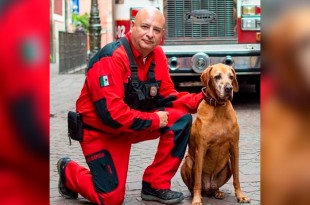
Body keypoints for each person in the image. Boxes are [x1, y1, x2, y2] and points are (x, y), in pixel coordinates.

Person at [57, 7, 202, 205]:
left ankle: (155, 184)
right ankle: (67, 170)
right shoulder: (111, 58)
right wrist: (153, 119)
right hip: (101, 132)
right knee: (110, 199)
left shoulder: (157, 55)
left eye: (156, 30)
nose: (150, 34)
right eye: (145, 27)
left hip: (131, 125)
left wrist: (203, 99)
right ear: (132, 27)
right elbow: (111, 115)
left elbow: (167, 95)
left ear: (162, 35)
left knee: (181, 118)